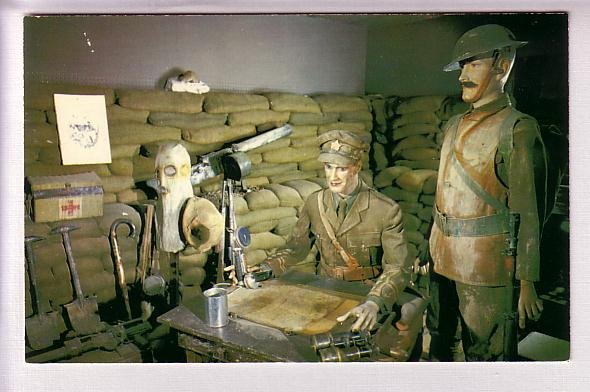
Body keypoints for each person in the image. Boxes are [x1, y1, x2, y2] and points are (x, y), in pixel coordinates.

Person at [428, 24, 545, 361]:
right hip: (442, 258)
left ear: (502, 65)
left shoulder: (518, 129)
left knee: (485, 353)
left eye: (473, 64)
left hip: (487, 267)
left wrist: (527, 282)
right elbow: (443, 195)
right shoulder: (453, 125)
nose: (463, 75)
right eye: (462, 66)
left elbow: (528, 213)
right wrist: (430, 250)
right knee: (441, 341)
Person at [264, 129, 413, 331]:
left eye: (341, 168)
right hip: (325, 289)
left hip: (366, 293)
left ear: (356, 167)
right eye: (328, 167)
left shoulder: (385, 209)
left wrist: (374, 302)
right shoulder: (314, 203)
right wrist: (267, 268)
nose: (332, 176)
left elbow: (397, 266)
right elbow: (296, 248)